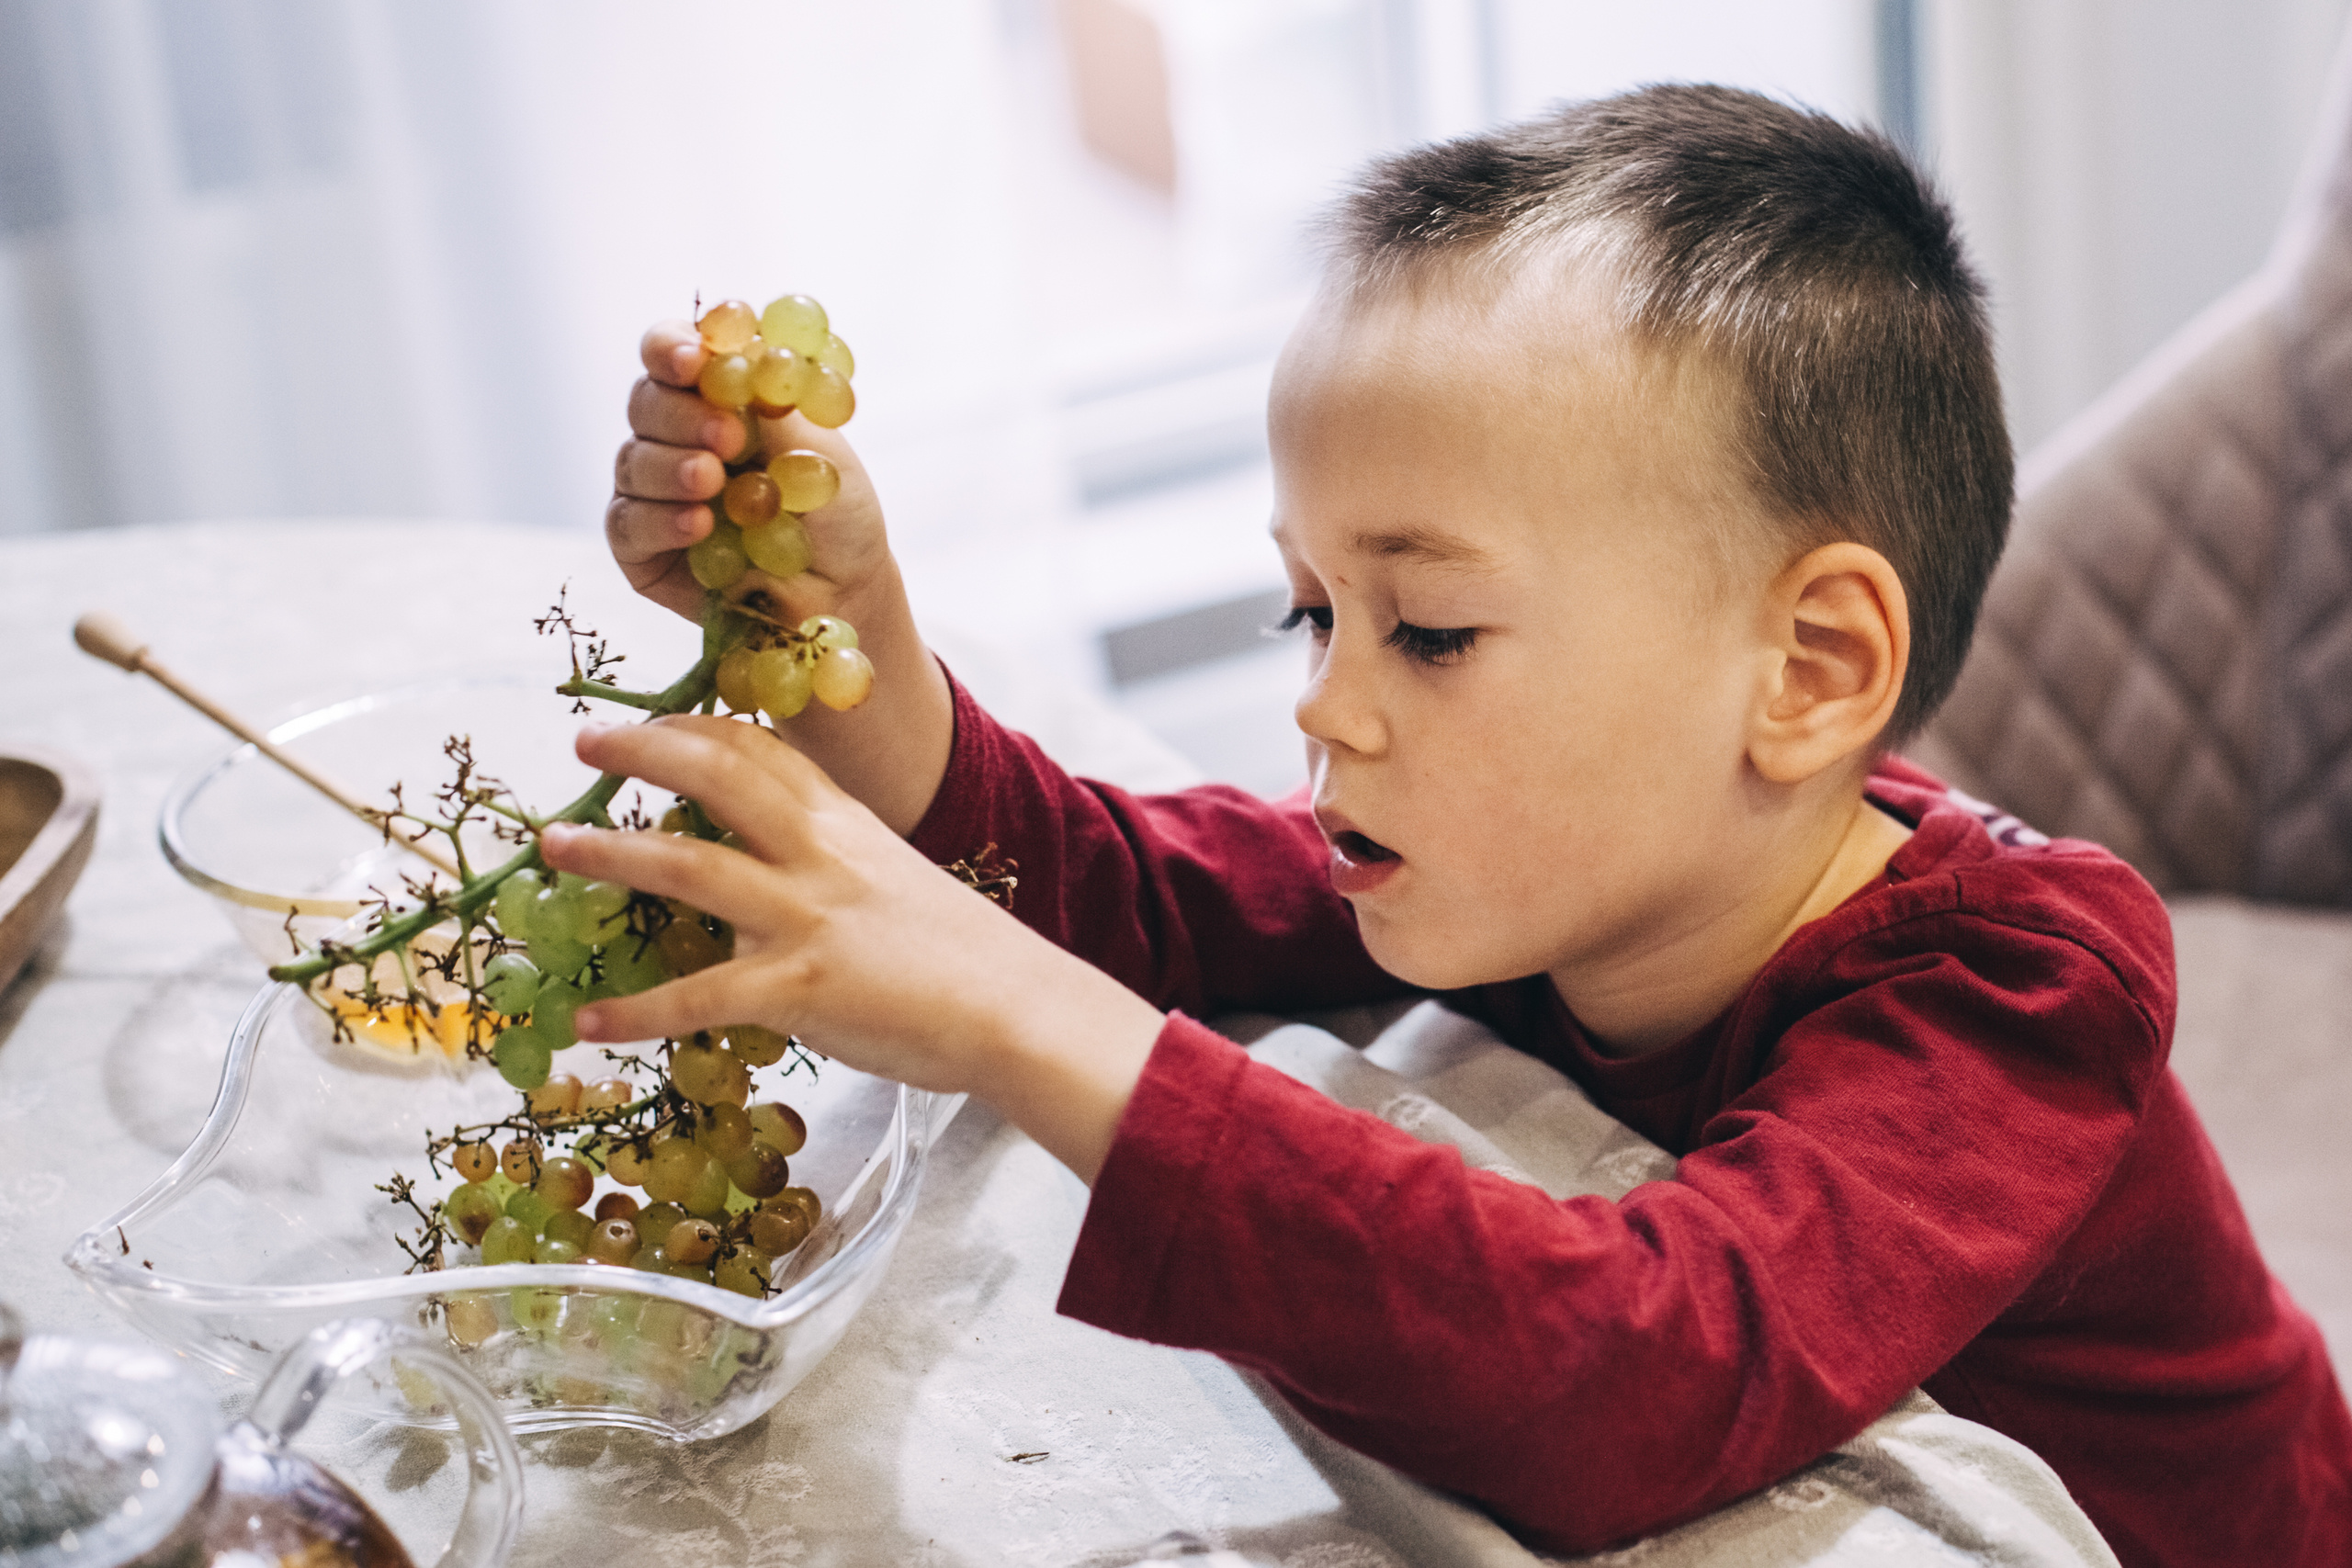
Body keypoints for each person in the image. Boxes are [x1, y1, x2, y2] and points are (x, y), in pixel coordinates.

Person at [548, 85, 2352, 1563]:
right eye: (1307, 611)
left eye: (1427, 629)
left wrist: (1025, 1020)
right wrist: (845, 630)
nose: (1325, 701)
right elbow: (1114, 888)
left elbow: (1638, 1370)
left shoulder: (2018, 991)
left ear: (1805, 667)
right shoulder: (1526, 860)